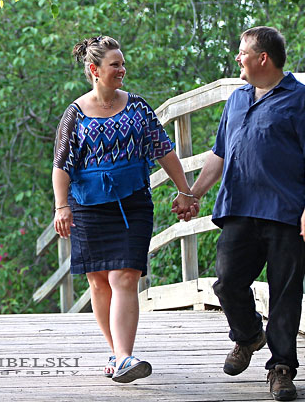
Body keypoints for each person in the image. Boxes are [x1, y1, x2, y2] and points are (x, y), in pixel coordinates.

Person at [191, 26, 305, 401]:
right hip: (239, 208)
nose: (238, 58)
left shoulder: (302, 99)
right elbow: (219, 155)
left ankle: (282, 369)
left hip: (287, 213)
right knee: (226, 281)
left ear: (262, 58)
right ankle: (249, 334)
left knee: (285, 293)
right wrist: (193, 194)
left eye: (243, 52)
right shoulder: (236, 100)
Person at [52, 35, 198, 384]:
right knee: (99, 282)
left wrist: (185, 190)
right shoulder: (74, 114)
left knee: (124, 277)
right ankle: (117, 353)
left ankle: (124, 355)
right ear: (94, 70)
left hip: (132, 204)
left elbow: (164, 150)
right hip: (88, 208)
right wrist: (61, 207)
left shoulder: (138, 109)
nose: (122, 70)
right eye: (115, 64)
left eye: (122, 63)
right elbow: (61, 166)